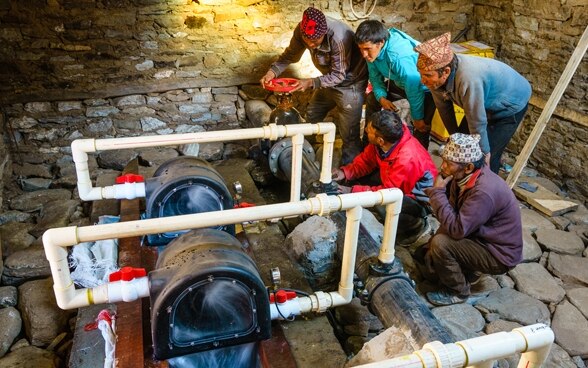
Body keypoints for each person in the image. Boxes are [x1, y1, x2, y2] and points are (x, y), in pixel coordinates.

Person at [421, 133, 522, 306]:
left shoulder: (483, 192)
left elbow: (457, 230)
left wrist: (437, 193)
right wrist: (429, 247)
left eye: (448, 163)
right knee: (428, 255)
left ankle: (458, 291)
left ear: (468, 167)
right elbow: (452, 214)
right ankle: (469, 269)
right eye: (443, 160)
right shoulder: (461, 178)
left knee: (441, 244)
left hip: (498, 254)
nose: (442, 167)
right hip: (479, 237)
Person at [260, 7, 368, 165]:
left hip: (350, 83)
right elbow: (290, 56)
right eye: (307, 39)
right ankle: (302, 155)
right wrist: (272, 72)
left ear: (324, 33)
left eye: (315, 40)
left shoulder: (339, 37)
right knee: (311, 114)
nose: (310, 44)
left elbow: (339, 75)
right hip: (327, 81)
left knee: (349, 135)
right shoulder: (302, 31)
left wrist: (311, 82)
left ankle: (349, 175)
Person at [415, 32, 532, 173]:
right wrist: (455, 139)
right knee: (460, 153)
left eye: (427, 76)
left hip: (510, 103)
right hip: (482, 104)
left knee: (484, 158)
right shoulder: (435, 80)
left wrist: (484, 153)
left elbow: (477, 120)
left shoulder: (468, 79)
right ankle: (458, 190)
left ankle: (485, 188)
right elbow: (444, 110)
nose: (423, 80)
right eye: (420, 74)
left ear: (446, 71)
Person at [332, 110, 437, 243]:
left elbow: (389, 193)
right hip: (394, 182)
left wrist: (352, 192)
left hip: (417, 199)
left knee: (384, 204)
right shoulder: (386, 141)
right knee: (353, 180)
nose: (365, 130)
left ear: (380, 140)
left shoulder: (407, 158)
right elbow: (367, 161)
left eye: (369, 130)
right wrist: (345, 172)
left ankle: (414, 228)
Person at [355, 20, 435, 149]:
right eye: (361, 49)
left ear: (380, 43)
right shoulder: (372, 54)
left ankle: (418, 162)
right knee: (372, 99)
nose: (364, 54)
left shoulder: (399, 57)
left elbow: (414, 88)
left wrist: (417, 117)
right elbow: (375, 78)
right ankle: (368, 145)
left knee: (421, 127)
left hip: (423, 87)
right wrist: (382, 98)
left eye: (367, 49)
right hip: (400, 82)